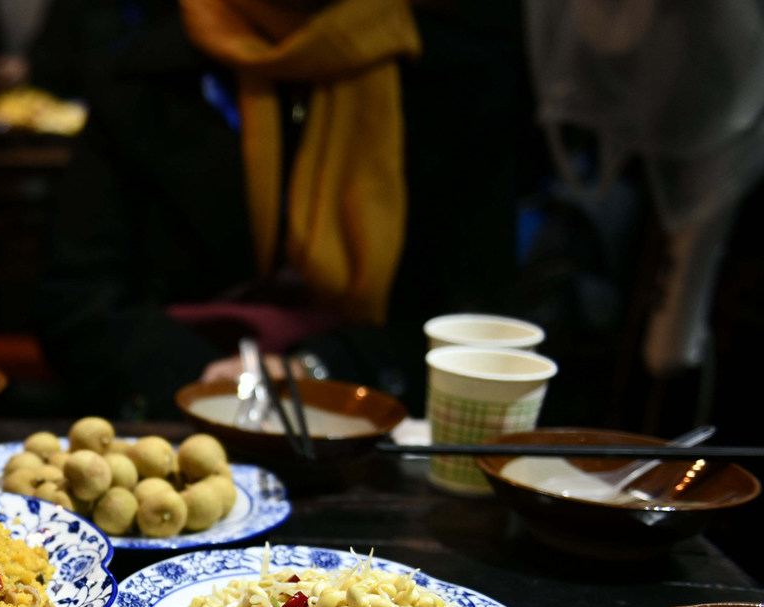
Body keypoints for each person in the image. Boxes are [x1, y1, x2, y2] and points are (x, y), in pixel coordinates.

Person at [35, 0, 525, 414]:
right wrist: (210, 377)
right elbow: (76, 299)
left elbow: (481, 316)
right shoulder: (142, 77)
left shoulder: (457, 77)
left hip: (371, 414)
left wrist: (317, 369)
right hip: (175, 410)